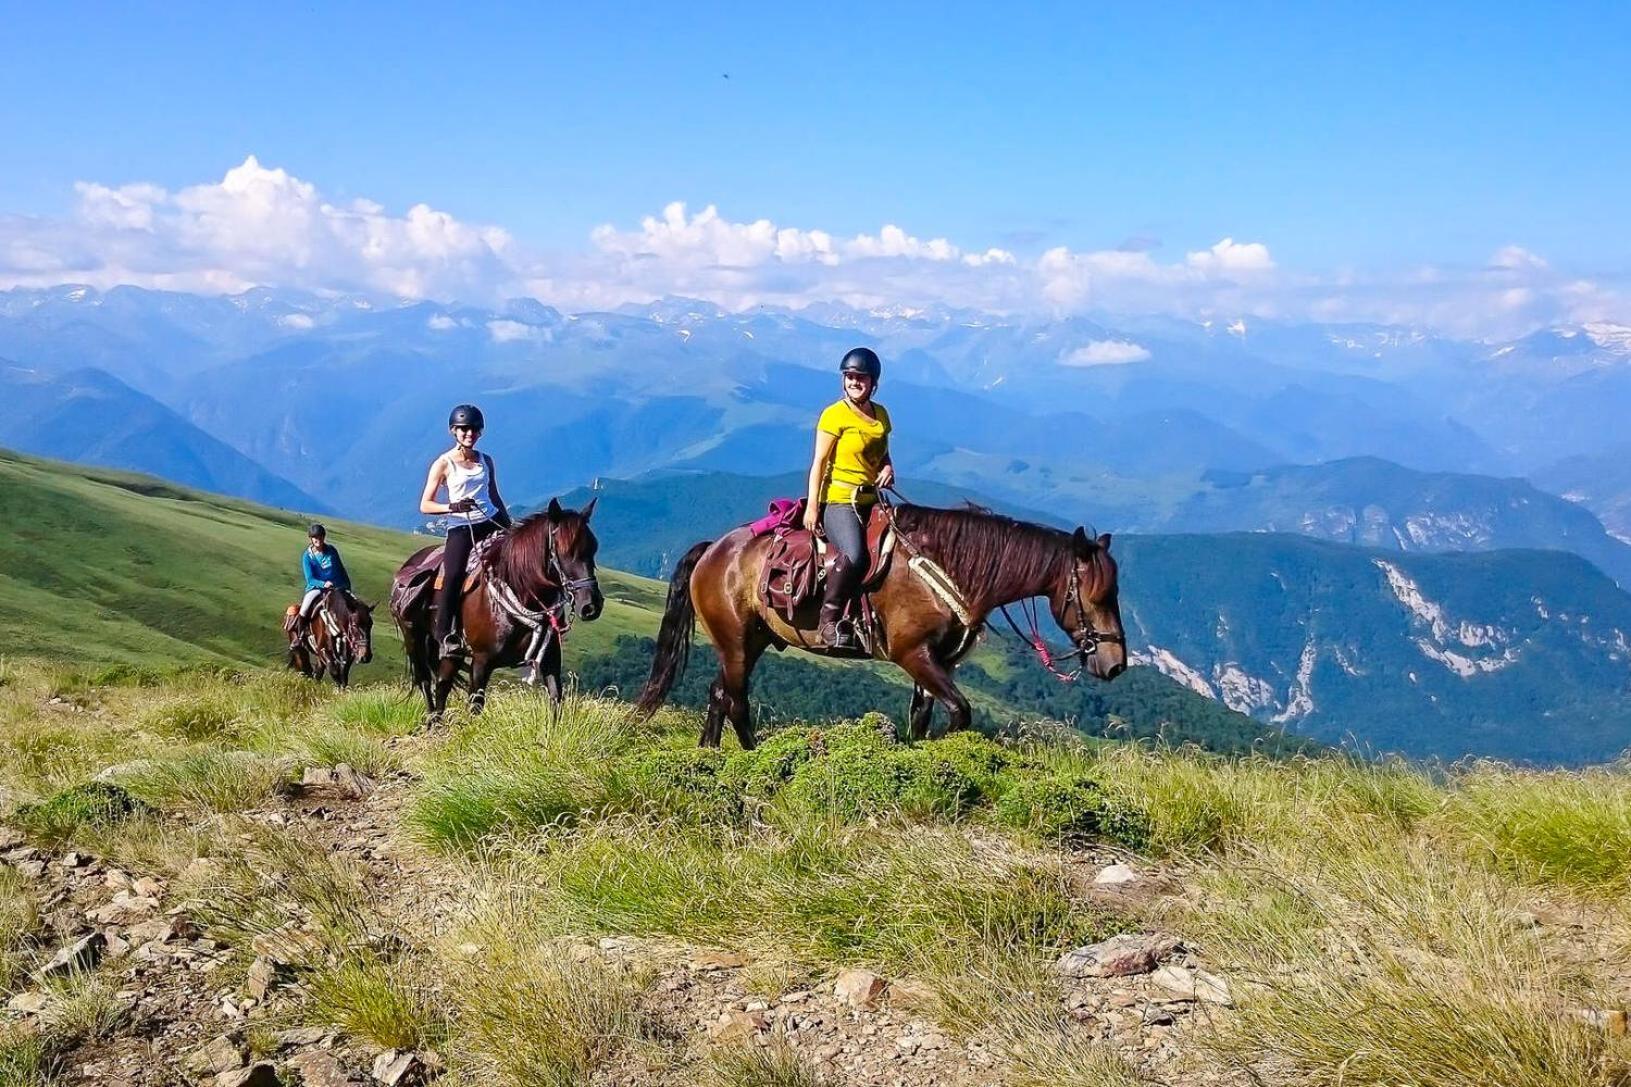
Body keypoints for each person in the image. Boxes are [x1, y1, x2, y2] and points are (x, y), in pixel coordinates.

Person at [802, 347, 894, 649]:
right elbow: (819, 463)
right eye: (850, 376)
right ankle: (828, 622)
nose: (854, 382)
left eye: (861, 377)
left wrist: (888, 467)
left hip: (872, 499)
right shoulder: (834, 415)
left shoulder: (881, 415)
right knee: (854, 554)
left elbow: (881, 451)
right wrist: (813, 507)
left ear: (873, 382)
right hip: (840, 500)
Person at [419, 403, 514, 657]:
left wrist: (509, 527)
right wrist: (453, 506)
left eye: (473, 429)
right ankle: (445, 635)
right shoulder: (443, 463)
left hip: (489, 521)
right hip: (461, 527)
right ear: (454, 431)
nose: (469, 433)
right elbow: (425, 505)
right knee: (453, 576)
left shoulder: (486, 461)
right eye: (463, 429)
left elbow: (494, 495)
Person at [291, 523, 351, 645]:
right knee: (304, 608)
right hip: (316, 588)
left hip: (336, 586)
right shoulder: (307, 556)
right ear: (311, 539)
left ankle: (353, 635)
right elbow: (310, 579)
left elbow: (341, 568)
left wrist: (347, 586)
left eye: (320, 537)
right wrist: (323, 584)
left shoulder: (332, 551)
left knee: (353, 607)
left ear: (324, 537)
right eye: (315, 537)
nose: (318, 540)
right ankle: (300, 636)